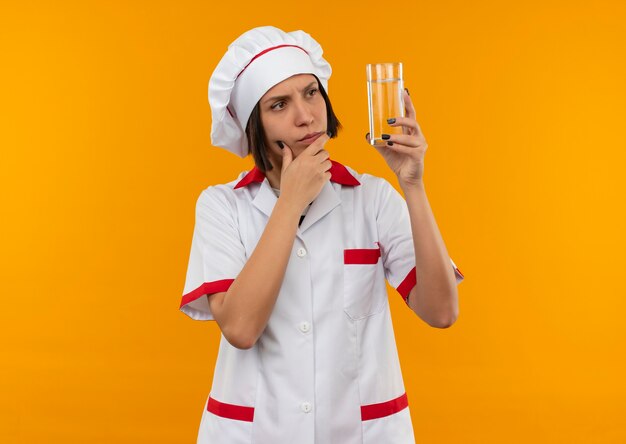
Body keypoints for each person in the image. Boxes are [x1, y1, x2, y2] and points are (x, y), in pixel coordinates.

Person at [179, 25, 465, 444]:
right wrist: (290, 201)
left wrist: (412, 185)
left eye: (311, 92)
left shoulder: (371, 198)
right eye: (279, 104)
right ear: (254, 125)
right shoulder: (222, 206)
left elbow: (441, 312)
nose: (306, 115)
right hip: (255, 432)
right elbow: (240, 328)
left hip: (362, 432)